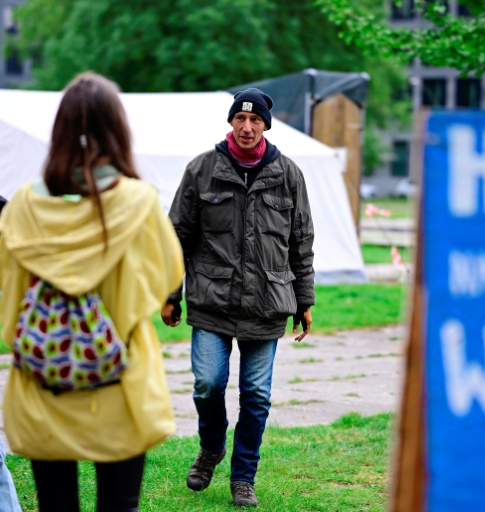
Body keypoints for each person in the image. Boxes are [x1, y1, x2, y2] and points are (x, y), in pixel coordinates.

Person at [0, 72, 184, 512]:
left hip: (44, 385)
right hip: (120, 383)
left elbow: (9, 307)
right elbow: (167, 277)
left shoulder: (23, 206)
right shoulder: (138, 203)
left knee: (55, 506)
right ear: (118, 129)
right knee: (120, 506)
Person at [161, 87, 315, 507]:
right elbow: (178, 236)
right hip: (212, 301)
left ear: (266, 124)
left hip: (268, 303)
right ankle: (211, 448)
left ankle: (243, 477)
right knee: (207, 384)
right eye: (239, 119)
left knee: (257, 395)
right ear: (231, 122)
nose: (247, 127)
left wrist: (305, 300)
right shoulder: (202, 169)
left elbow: (301, 242)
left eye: (255, 120)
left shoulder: (288, 174)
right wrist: (171, 294)